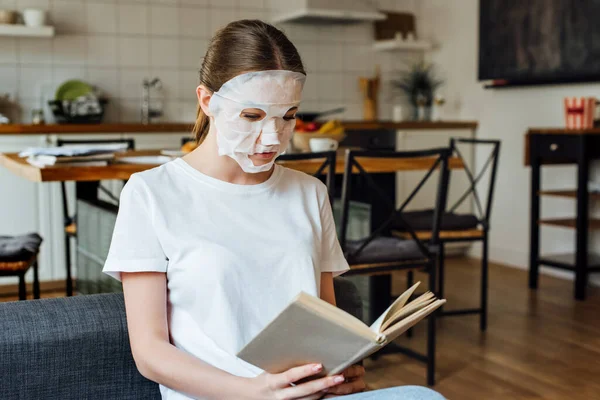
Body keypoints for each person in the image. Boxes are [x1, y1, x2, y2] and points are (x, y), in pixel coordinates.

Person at [103, 19, 446, 400]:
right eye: (251, 116)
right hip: (224, 397)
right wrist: (253, 391)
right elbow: (150, 353)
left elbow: (326, 325)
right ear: (206, 101)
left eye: (288, 116)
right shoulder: (150, 194)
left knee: (424, 396)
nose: (273, 138)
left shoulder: (309, 194)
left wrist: (343, 370)